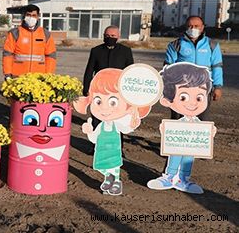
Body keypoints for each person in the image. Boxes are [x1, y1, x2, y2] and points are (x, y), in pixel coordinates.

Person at [74, 69, 151, 196]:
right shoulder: (101, 126)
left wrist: (133, 121)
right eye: (98, 101)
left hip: (114, 151)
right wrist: (89, 131)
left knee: (115, 167)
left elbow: (126, 129)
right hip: (102, 152)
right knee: (101, 166)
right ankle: (108, 177)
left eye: (113, 102)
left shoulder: (117, 125)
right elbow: (94, 138)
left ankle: (115, 182)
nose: (104, 107)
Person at [146, 63, 216, 194]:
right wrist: (166, 131)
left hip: (191, 141)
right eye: (183, 97)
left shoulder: (198, 123)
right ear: (167, 100)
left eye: (199, 97)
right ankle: (170, 176)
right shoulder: (177, 124)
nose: (193, 103)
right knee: (175, 152)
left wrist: (209, 133)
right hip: (177, 137)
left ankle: (183, 178)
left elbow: (204, 136)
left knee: (189, 156)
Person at [164, 15, 223, 120]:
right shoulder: (175, 45)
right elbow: (168, 67)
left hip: (204, 88)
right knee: (178, 119)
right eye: (190, 26)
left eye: (196, 26)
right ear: (186, 27)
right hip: (180, 88)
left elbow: (217, 66)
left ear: (202, 27)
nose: (193, 29)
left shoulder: (212, 45)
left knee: (201, 119)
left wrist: (217, 87)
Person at [83, 25, 134, 128]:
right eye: (107, 35)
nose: (109, 37)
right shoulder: (96, 51)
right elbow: (89, 70)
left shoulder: (126, 51)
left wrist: (130, 91)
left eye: (112, 35)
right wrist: (86, 88)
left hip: (118, 90)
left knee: (118, 118)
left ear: (118, 36)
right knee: (98, 116)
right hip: (99, 90)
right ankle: (97, 141)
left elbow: (130, 72)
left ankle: (118, 143)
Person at [2, 4, 56, 78]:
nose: (31, 17)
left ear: (38, 17)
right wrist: (7, 74)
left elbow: (51, 56)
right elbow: (7, 55)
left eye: (34, 15)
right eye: (28, 15)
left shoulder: (45, 34)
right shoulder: (15, 33)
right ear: (25, 16)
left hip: (39, 77)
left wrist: (49, 75)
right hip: (17, 76)